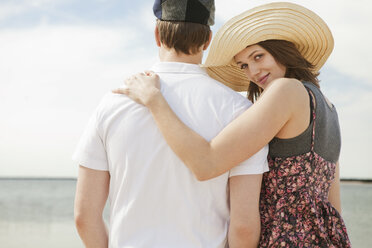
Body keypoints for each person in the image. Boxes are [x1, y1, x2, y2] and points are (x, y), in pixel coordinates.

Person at [114, 2, 352, 247]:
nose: (253, 72)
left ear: (282, 50)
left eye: (258, 56)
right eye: (244, 65)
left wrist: (154, 100)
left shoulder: (286, 90)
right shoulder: (328, 107)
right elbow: (334, 206)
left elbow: (206, 163)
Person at [73, 0, 269, 247]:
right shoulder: (240, 110)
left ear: (157, 34)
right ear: (208, 40)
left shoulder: (112, 103)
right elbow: (243, 227)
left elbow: (84, 217)